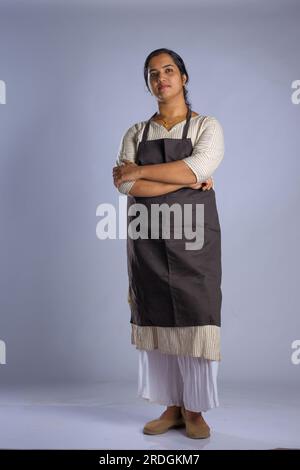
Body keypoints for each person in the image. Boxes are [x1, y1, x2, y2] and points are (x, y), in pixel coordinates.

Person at [113, 48, 224, 439]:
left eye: (169, 70)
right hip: (148, 238)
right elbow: (126, 184)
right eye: (153, 73)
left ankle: (194, 412)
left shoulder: (206, 126)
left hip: (194, 239)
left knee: (196, 314)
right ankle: (172, 407)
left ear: (184, 77)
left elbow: (201, 164)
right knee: (156, 314)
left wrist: (145, 170)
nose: (161, 78)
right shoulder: (136, 133)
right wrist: (186, 178)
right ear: (148, 83)